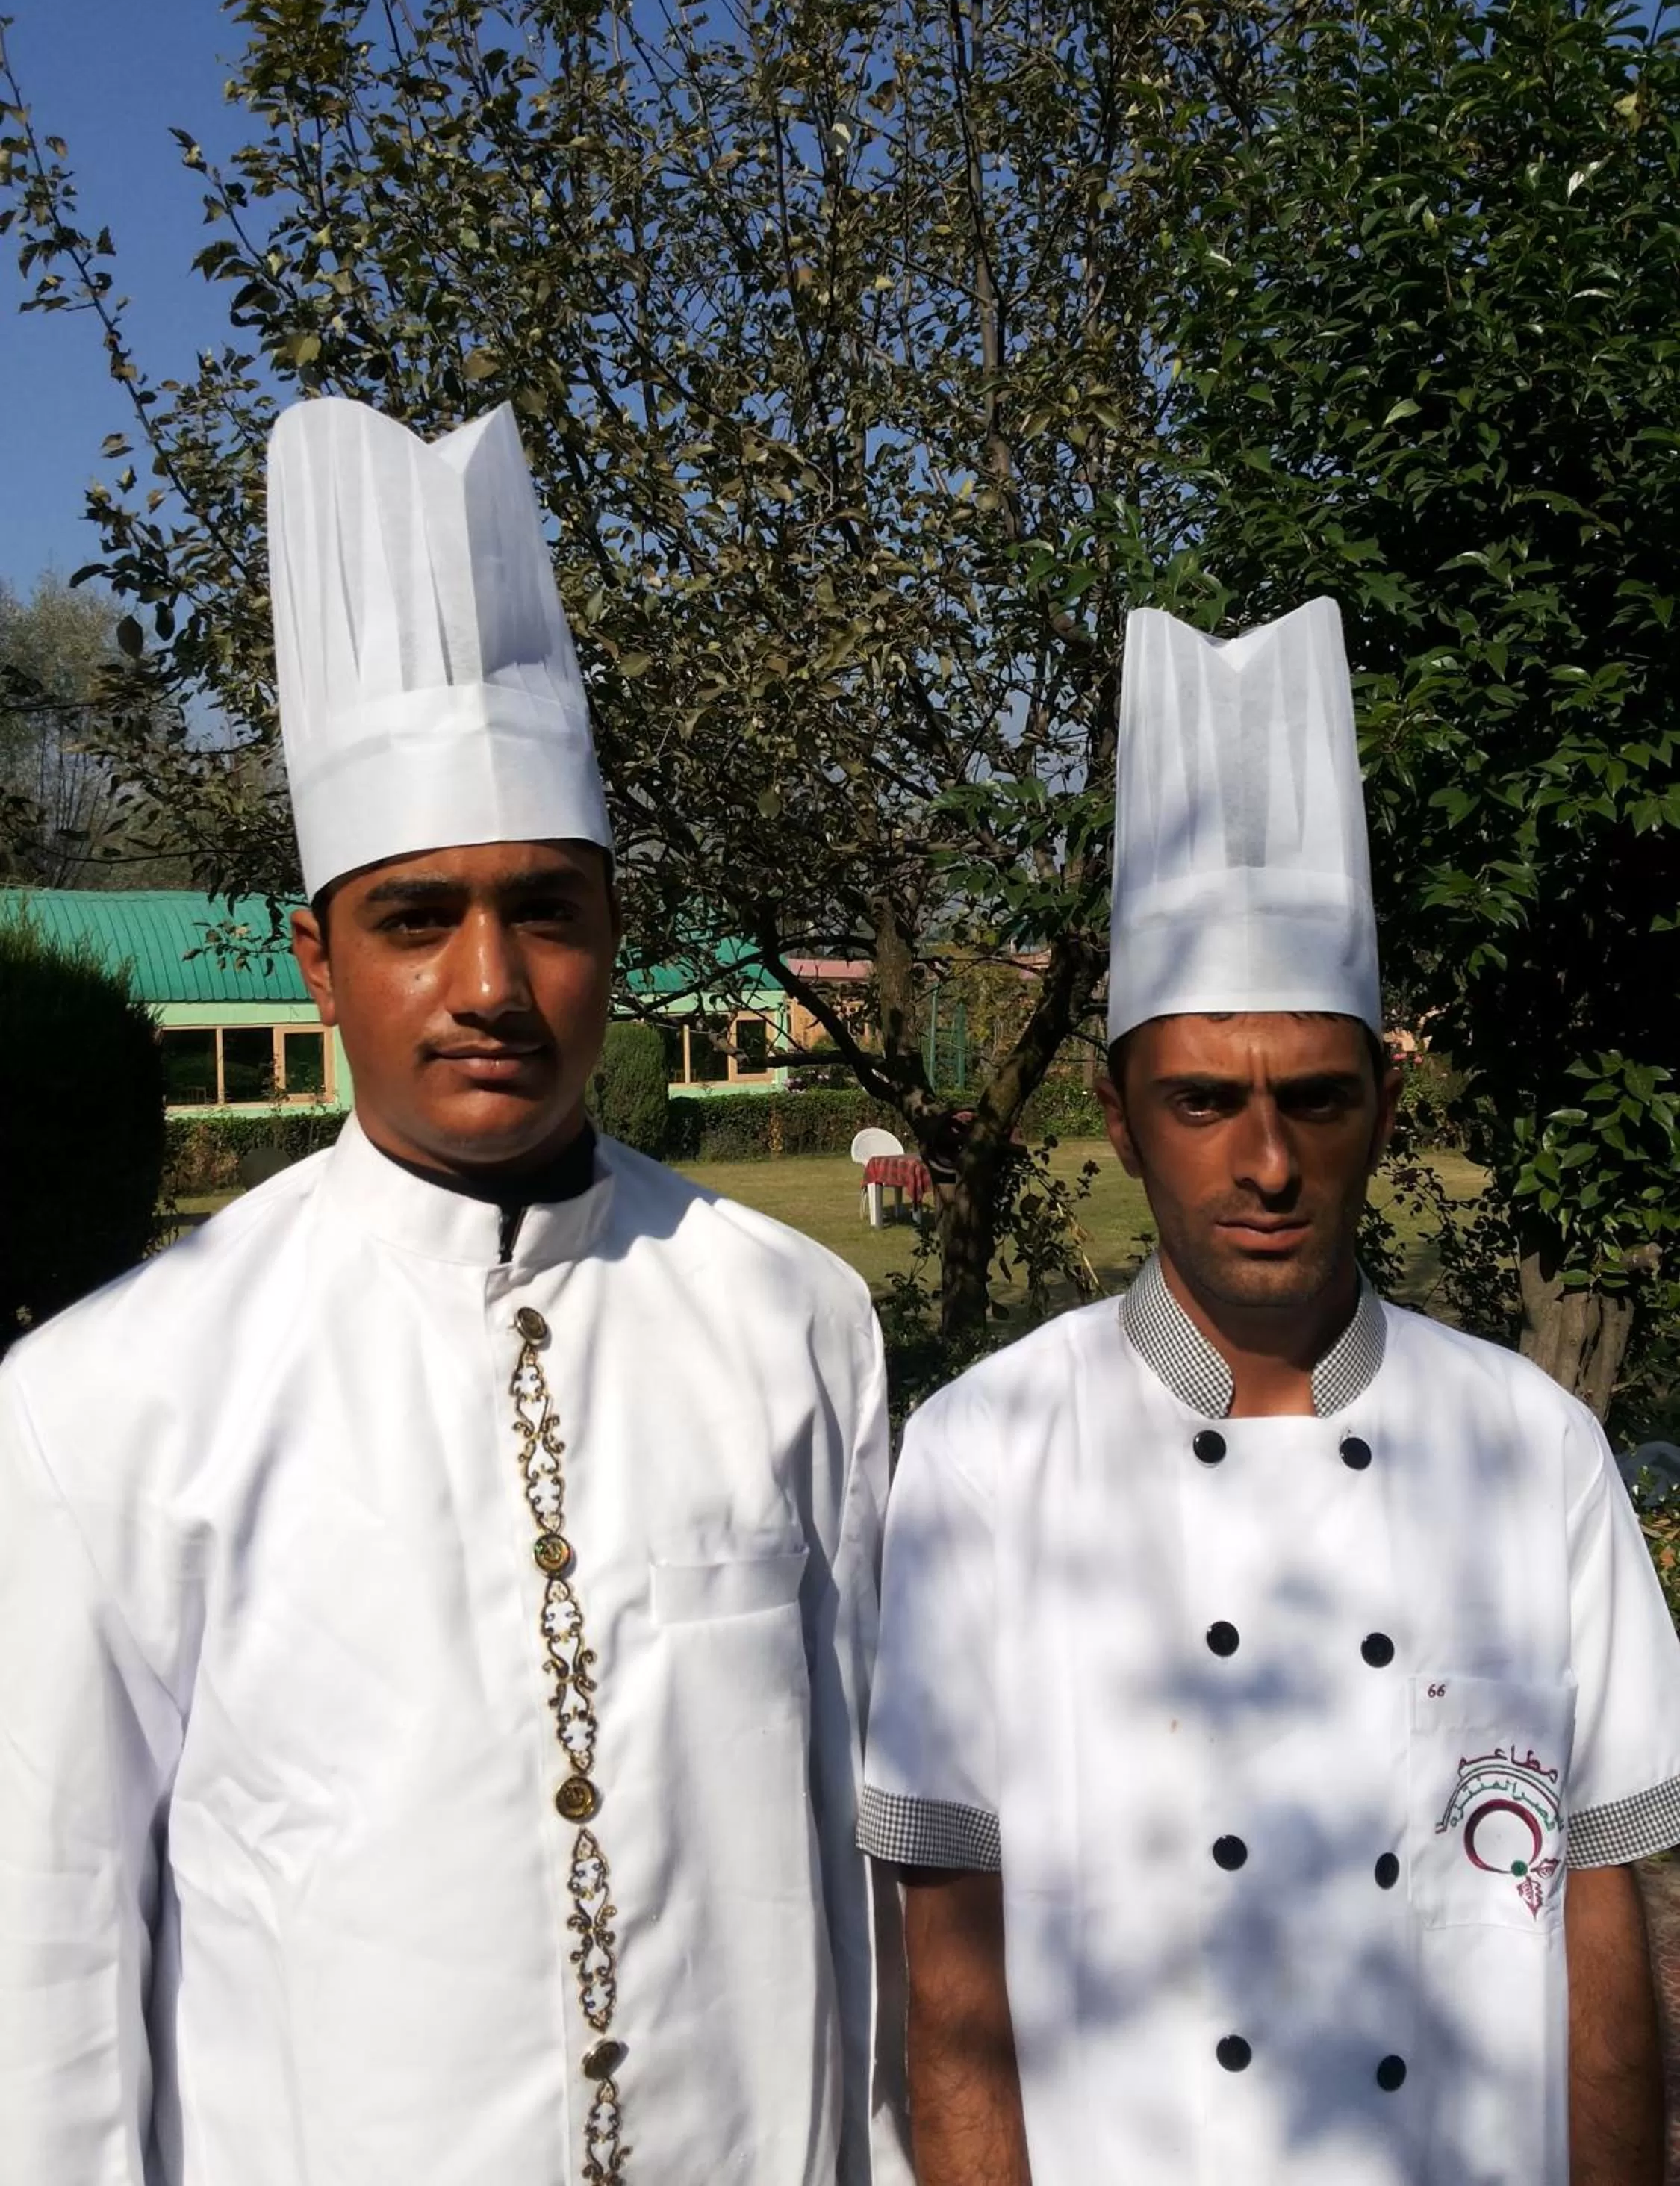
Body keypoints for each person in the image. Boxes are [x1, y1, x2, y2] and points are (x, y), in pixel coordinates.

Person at [0, 398, 909, 2185]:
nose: (490, 982)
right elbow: (53, 1962)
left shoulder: (793, 1321)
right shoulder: (116, 1395)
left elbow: (858, 1860)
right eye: (418, 917)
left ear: (614, 935)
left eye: (545, 911)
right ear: (317, 963)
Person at [859, 597, 1680, 2185]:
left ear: (1383, 1098)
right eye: (1202, 1099)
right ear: (1116, 1108)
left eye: (1314, 1096)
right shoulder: (984, 1458)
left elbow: (1604, 1919)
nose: (1264, 1160)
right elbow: (950, 1986)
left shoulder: (1534, 1450)